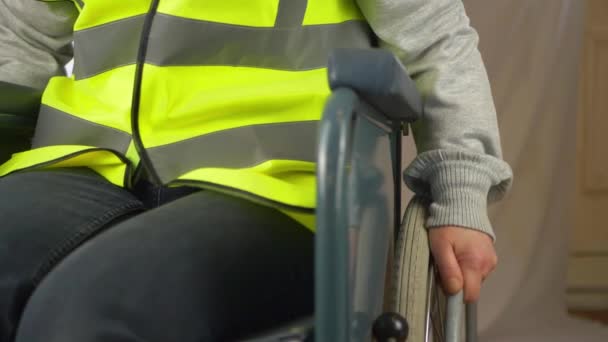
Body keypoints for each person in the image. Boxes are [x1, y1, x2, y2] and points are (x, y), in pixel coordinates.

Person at [0, 0, 512, 341]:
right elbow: (20, 34)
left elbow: (435, 41)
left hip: (273, 181)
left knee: (82, 315)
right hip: (88, 157)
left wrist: (461, 186)